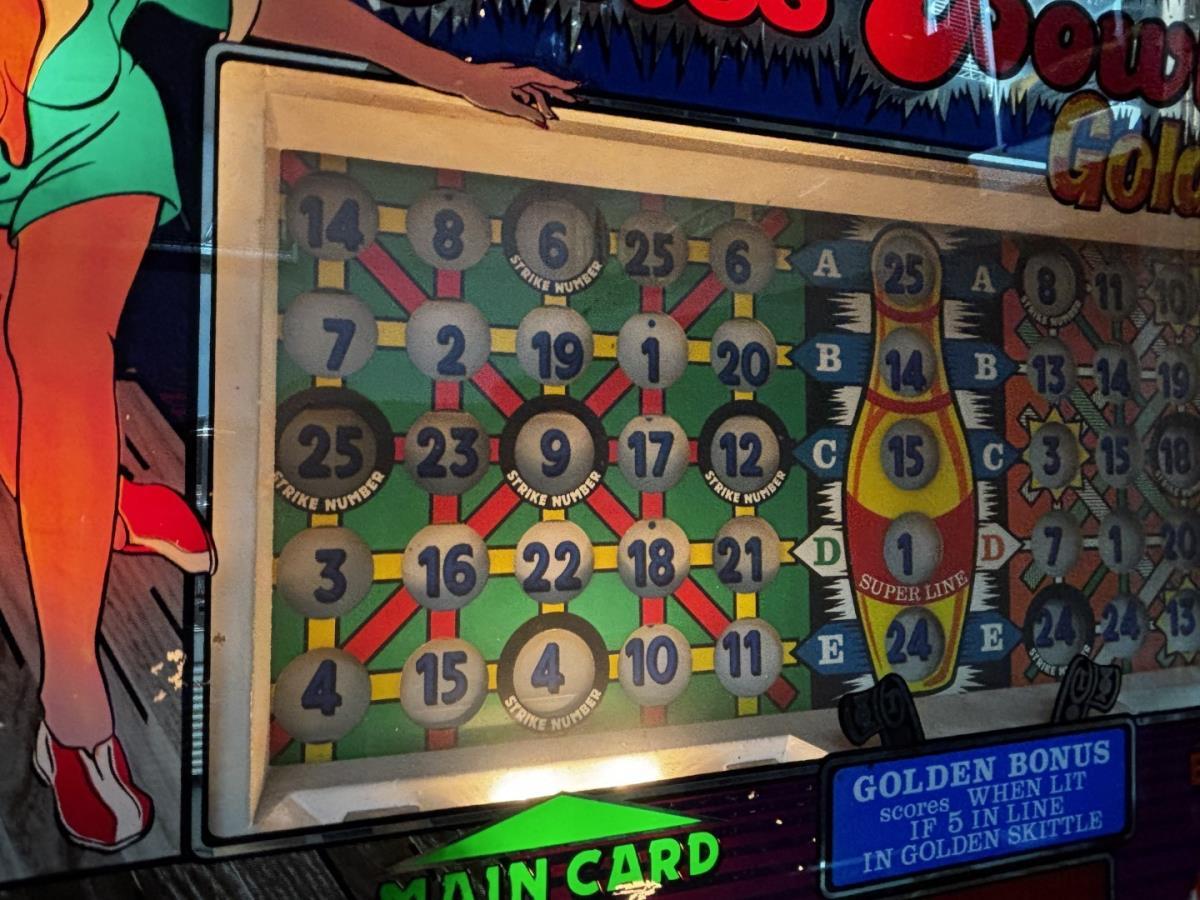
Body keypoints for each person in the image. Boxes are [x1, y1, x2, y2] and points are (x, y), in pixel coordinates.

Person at [0, 0, 574, 852]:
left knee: (56, 347)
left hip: (91, 132)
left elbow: (270, 6)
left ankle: (74, 712)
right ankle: (101, 512)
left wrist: (455, 77)